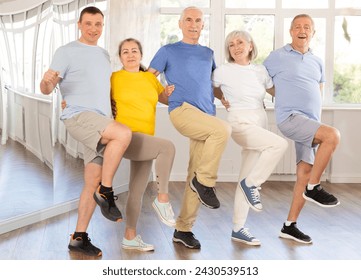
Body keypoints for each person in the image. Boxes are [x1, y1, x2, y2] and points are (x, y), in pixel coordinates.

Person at [40, 6, 132, 256]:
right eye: (89, 23)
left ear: (103, 26)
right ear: (79, 25)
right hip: (79, 116)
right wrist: (48, 82)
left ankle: (78, 237)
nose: (94, 29)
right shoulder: (66, 51)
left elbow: (99, 86)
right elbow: (47, 87)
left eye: (98, 24)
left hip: (101, 120)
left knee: (91, 181)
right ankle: (107, 191)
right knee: (123, 134)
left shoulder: (103, 54)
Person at [148, 6, 231, 249]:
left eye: (197, 20)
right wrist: (163, 96)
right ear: (180, 23)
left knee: (195, 170)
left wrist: (224, 95)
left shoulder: (208, 53)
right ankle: (205, 182)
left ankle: (183, 229)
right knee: (222, 131)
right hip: (182, 110)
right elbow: (147, 79)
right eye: (188, 20)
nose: (193, 24)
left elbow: (211, 83)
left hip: (207, 114)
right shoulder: (168, 50)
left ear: (202, 25)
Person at [263, 14, 340, 244]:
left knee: (303, 174)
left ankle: (289, 225)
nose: (302, 30)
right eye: (297, 26)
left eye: (307, 27)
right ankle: (314, 187)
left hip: (310, 121)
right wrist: (282, 95)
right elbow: (261, 81)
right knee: (333, 135)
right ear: (291, 31)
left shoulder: (317, 61)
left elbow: (318, 88)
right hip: (291, 118)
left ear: (313, 32)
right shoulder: (277, 57)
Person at [212, 30, 288, 246]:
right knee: (278, 144)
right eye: (231, 44)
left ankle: (238, 228)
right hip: (239, 121)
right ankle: (253, 184)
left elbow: (276, 91)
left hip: (259, 120)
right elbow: (212, 88)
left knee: (245, 175)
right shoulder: (223, 71)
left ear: (250, 46)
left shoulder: (260, 70)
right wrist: (223, 98)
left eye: (240, 42)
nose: (236, 47)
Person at [111, 38, 176, 251]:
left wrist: (168, 93)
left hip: (145, 138)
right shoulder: (114, 78)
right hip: (125, 137)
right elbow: (98, 100)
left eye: (134, 51)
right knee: (167, 147)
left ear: (140, 54)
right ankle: (162, 199)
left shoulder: (150, 79)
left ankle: (130, 237)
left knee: (136, 190)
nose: (130, 55)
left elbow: (164, 99)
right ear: (120, 57)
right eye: (125, 51)